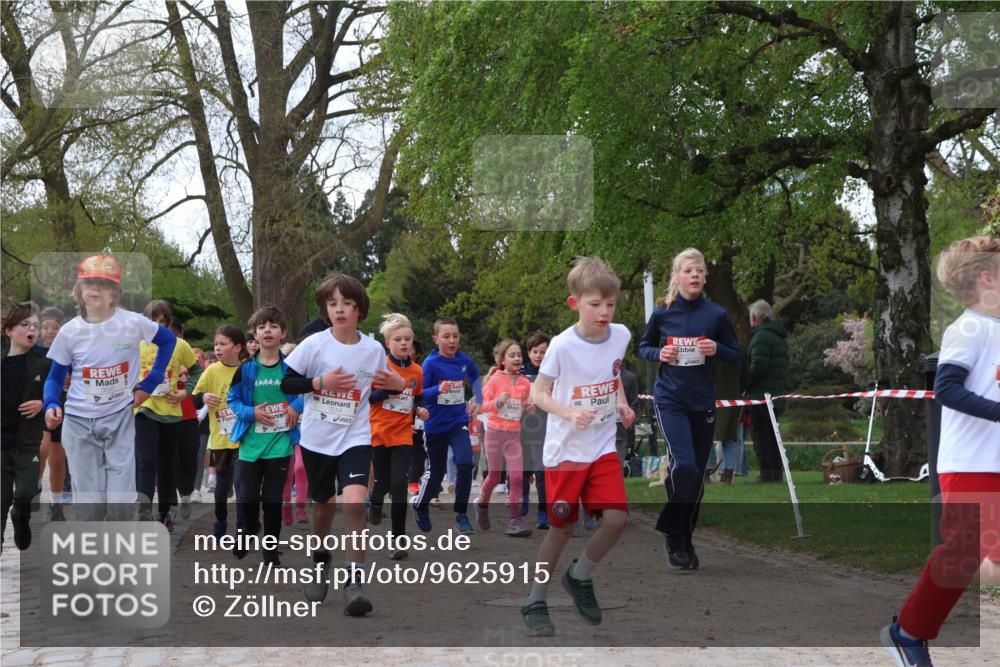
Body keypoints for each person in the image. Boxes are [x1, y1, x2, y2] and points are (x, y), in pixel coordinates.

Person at [881, 235, 1000, 667]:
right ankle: (908, 633)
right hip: (970, 464)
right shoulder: (968, 327)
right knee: (961, 556)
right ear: (987, 277)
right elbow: (946, 389)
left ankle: (909, 631)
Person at [520, 256, 635, 637]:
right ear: (575, 303)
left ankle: (579, 575)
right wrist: (569, 413)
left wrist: (620, 402)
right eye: (595, 304)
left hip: (601, 446)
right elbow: (538, 393)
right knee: (562, 529)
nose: (604, 312)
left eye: (610, 304)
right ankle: (535, 599)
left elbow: (613, 373)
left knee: (617, 519)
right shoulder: (561, 346)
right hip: (566, 451)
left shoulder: (621, 335)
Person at [281, 273, 404, 616]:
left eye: (346, 304)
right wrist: (320, 382)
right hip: (318, 439)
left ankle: (354, 582)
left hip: (356, 437)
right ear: (325, 309)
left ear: (359, 310)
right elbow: (286, 384)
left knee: (353, 503)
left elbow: (378, 390)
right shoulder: (315, 345)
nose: (339, 310)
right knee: (322, 506)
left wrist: (396, 385)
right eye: (332, 304)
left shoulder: (373, 349)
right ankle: (320, 561)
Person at [44, 254, 176, 521]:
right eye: (90, 284)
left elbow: (168, 341)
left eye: (103, 285)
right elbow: (54, 378)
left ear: (114, 292)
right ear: (79, 290)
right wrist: (52, 404)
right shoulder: (70, 331)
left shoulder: (132, 322)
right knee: (90, 506)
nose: (96, 290)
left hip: (119, 419)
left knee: (120, 506)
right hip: (79, 423)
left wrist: (149, 384)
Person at [638, 247, 740, 571]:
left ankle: (683, 537)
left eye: (699, 270)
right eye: (688, 270)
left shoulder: (716, 315)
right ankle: (673, 532)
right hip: (670, 399)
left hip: (702, 401)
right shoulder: (662, 313)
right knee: (684, 465)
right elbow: (643, 346)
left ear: (705, 277)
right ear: (677, 277)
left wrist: (717, 348)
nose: (694, 275)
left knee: (695, 476)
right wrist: (659, 355)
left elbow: (736, 354)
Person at [227, 306, 302, 566]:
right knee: (247, 496)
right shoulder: (246, 369)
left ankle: (270, 551)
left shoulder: (291, 369)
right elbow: (232, 400)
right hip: (250, 444)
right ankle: (249, 526)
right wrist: (251, 413)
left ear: (283, 333)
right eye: (261, 327)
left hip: (279, 445)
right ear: (255, 336)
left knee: (272, 500)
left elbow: (304, 396)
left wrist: (295, 407)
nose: (267, 330)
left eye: (272, 326)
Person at [133, 300, 202, 530]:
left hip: (171, 412)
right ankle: (143, 511)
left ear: (170, 324)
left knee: (166, 464)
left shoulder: (179, 345)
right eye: (153, 321)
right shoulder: (135, 344)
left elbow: (198, 371)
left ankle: (164, 514)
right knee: (146, 460)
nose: (157, 325)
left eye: (162, 322)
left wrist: (185, 393)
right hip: (143, 408)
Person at [410, 317, 482, 534]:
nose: (452, 341)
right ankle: (420, 505)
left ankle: (461, 515)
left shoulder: (464, 360)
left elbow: (476, 377)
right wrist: (438, 390)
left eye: (455, 336)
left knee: (465, 463)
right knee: (436, 473)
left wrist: (478, 399)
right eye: (446, 336)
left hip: (457, 423)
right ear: (436, 339)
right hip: (434, 426)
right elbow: (419, 394)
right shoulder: (431, 364)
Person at [368, 313, 428, 560]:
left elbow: (418, 396)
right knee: (382, 484)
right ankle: (375, 499)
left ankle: (398, 540)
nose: (404, 344)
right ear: (388, 344)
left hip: (403, 433)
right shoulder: (380, 367)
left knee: (399, 485)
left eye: (408, 340)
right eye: (398, 339)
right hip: (379, 432)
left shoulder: (416, 371)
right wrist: (387, 390)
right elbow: (368, 399)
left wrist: (421, 409)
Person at [2, 301, 50, 550]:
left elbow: (59, 394)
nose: (32, 329)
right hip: (1, 443)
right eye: (25, 324)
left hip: (27, 443)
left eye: (36, 326)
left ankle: (21, 520)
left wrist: (42, 403)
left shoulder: (43, 363)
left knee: (25, 494)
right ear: (9, 331)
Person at [192, 325, 246, 539]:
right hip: (221, 438)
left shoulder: (247, 369)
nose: (217, 348)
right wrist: (204, 397)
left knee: (242, 487)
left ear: (237, 347)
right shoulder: (212, 371)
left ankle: (242, 529)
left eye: (223, 344)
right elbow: (195, 397)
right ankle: (221, 524)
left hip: (245, 439)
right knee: (223, 488)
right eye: (216, 344)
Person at [476, 339, 533, 537]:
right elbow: (481, 406)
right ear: (502, 360)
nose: (517, 358)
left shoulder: (525, 382)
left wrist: (529, 407)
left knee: (516, 476)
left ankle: (515, 520)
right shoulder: (495, 380)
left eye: (519, 355)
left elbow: (525, 405)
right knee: (494, 476)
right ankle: (482, 505)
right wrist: (496, 403)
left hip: (513, 436)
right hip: (494, 434)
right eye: (512, 355)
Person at [747, 298, 788, 483]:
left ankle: (766, 473)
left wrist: (744, 384)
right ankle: (776, 473)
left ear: (755, 317)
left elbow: (758, 367)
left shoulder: (760, 337)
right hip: (776, 392)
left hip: (760, 395)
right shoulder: (779, 337)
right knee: (773, 435)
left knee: (761, 435)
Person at [36, 306, 69, 520]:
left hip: (63, 405)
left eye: (55, 327)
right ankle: (35, 486)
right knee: (42, 447)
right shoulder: (33, 351)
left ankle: (56, 503)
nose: (50, 331)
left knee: (58, 457)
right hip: (38, 405)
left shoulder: (67, 352)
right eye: (45, 327)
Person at [171, 317, 203, 518]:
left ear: (181, 336)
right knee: (169, 460)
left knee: (189, 460)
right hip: (165, 415)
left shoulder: (190, 356)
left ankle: (186, 495)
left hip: (189, 416)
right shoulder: (153, 354)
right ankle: (171, 503)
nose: (171, 337)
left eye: (175, 333)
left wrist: (180, 370)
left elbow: (197, 370)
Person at [520, 332, 551, 529]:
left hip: (546, 429)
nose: (539, 355)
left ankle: (543, 512)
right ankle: (522, 499)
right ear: (529, 353)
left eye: (543, 352)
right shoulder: (520, 373)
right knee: (523, 471)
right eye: (535, 351)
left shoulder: (553, 374)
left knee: (542, 473)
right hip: (522, 430)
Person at [279, 341, 309, 526]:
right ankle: (286, 505)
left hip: (305, 429)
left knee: (300, 467)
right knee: (287, 472)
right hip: (284, 428)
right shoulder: (280, 375)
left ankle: (301, 507)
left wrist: (296, 406)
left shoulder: (309, 374)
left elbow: (313, 395)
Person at [711, 354, 749, 485]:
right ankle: (728, 475)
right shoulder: (739, 351)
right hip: (734, 398)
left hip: (711, 396)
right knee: (730, 437)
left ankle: (706, 473)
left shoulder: (709, 347)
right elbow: (746, 378)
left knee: (705, 437)